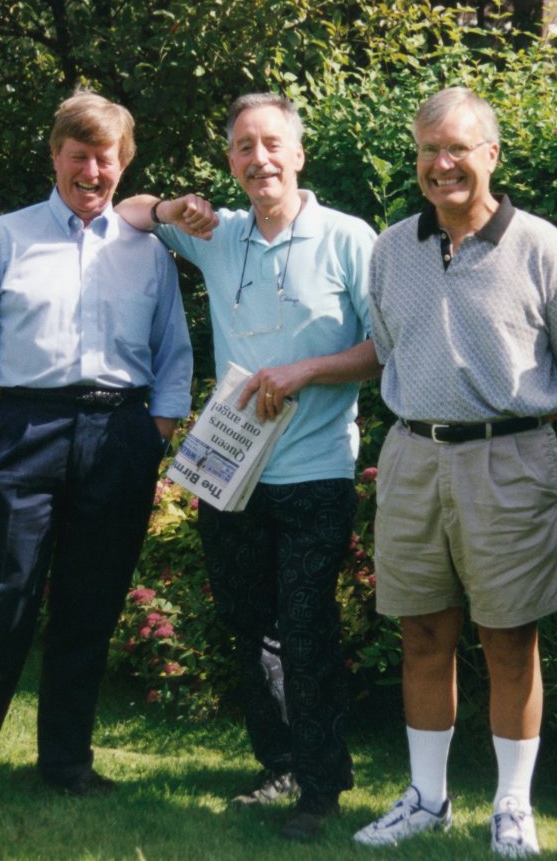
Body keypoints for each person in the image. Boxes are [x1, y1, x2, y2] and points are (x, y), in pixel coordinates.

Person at [0, 90, 196, 826]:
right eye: (79, 155)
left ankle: (66, 763)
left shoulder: (149, 253)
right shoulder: (2, 237)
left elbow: (173, 356)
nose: (92, 171)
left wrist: (152, 437)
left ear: (123, 164)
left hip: (120, 433)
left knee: (89, 609)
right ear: (55, 156)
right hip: (25, 430)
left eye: (106, 158)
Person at [116, 92, 378, 840]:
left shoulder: (349, 238)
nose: (259, 158)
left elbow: (384, 349)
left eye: (271, 144)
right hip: (230, 470)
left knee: (306, 624)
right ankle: (280, 765)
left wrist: (307, 371)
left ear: (298, 154)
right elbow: (128, 214)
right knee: (248, 623)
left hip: (316, 468)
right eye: (243, 147)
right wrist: (170, 208)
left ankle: (320, 788)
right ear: (230, 161)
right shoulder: (219, 234)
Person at [353, 86, 557, 858]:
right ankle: (427, 798)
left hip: (510, 460)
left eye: (458, 148)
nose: (442, 164)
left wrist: (510, 422)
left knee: (509, 638)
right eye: (428, 150)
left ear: (491, 154)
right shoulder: (391, 249)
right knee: (422, 632)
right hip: (412, 457)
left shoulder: (541, 247)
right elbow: (388, 347)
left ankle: (513, 806)